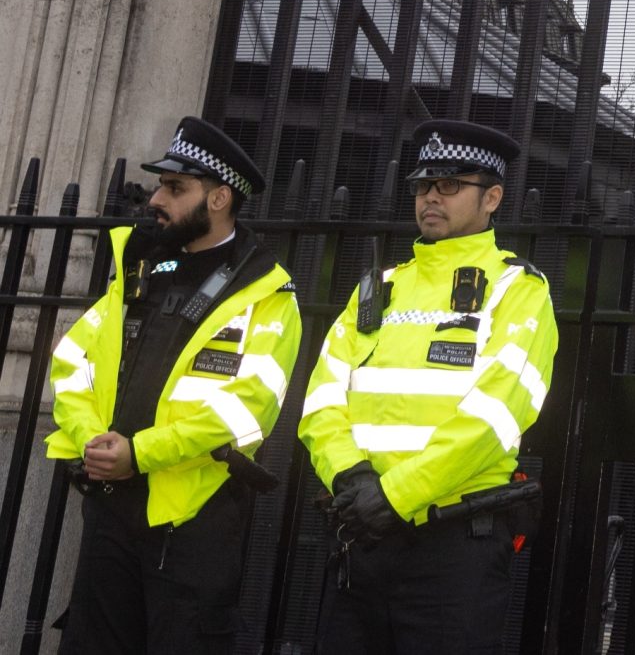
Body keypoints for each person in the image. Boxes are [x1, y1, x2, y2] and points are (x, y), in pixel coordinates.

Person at [298, 119, 558, 654]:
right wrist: (352, 480)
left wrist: (392, 496)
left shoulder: (517, 288)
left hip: (452, 548)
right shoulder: (380, 288)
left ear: (493, 198)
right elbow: (322, 399)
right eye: (423, 185)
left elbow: (495, 417)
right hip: (362, 535)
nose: (430, 198)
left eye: (449, 186)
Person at [47, 116, 303, 653]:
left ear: (219, 198)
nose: (156, 199)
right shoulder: (140, 268)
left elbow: (249, 409)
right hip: (111, 508)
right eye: (162, 185)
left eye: (175, 188)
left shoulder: (265, 293)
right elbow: (73, 360)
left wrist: (140, 453)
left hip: (195, 519)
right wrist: (94, 440)